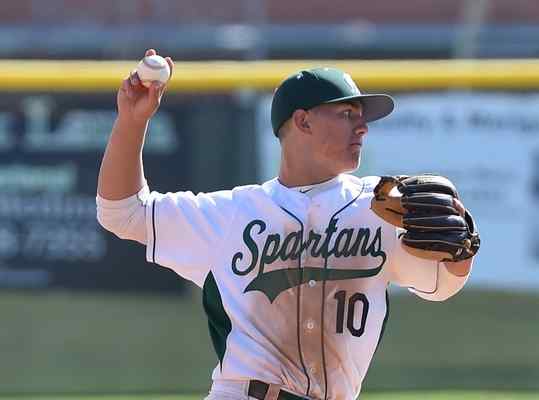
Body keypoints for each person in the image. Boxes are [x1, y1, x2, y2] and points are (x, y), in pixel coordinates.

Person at [96, 49, 476, 400]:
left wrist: (461, 249)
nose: (362, 128)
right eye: (347, 115)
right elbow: (123, 211)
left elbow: (442, 283)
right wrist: (132, 121)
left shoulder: (381, 206)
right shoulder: (235, 213)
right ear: (302, 121)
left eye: (363, 119)